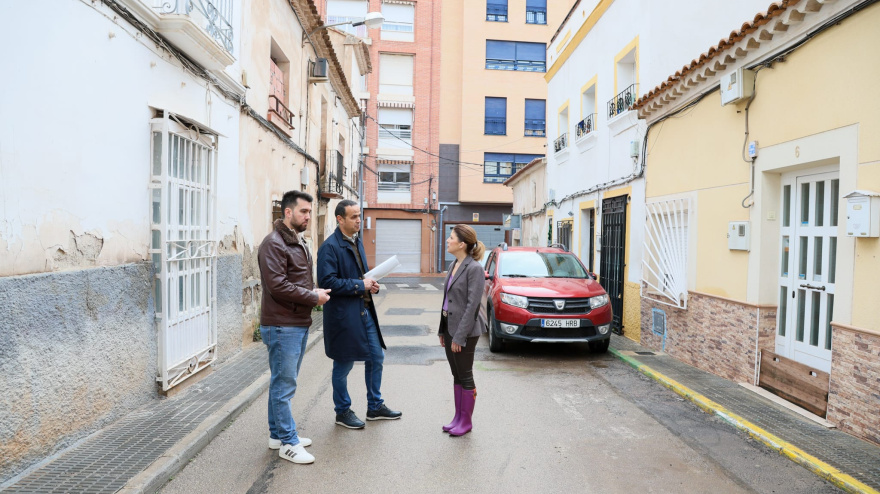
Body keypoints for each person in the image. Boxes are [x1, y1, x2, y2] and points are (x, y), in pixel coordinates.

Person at [258, 190, 331, 465]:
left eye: (310, 212)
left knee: (282, 382)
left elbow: (295, 280)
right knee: (284, 385)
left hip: (294, 322)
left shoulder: (295, 241)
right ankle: (288, 442)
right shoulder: (274, 243)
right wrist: (313, 297)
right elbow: (277, 285)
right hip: (282, 324)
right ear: (287, 212)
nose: (308, 216)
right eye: (304, 211)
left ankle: (277, 436)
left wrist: (314, 290)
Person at [317, 199, 402, 429]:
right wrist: (359, 285)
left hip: (364, 311)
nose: (359, 220)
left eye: (359, 215)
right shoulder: (329, 247)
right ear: (340, 219)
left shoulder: (357, 241)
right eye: (354, 216)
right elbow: (327, 283)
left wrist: (371, 285)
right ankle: (342, 411)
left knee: (376, 358)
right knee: (343, 365)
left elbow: (362, 276)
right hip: (344, 316)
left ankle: (374, 407)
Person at [439, 225, 487, 436]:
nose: (447, 241)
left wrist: (459, 336)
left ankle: (466, 422)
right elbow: (447, 301)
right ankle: (457, 418)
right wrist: (442, 331)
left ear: (461, 244)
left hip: (465, 332)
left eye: (451, 238)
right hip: (450, 327)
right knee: (456, 375)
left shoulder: (474, 268)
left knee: (465, 376)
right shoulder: (454, 264)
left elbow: (472, 306)